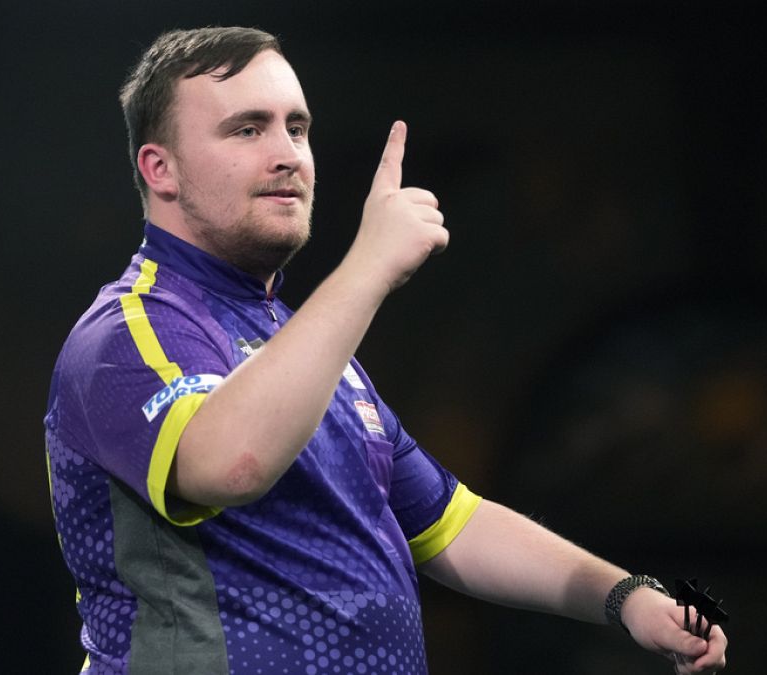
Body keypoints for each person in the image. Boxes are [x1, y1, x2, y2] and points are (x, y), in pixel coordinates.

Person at [44, 26, 728, 675]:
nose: (287, 153)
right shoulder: (126, 333)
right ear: (159, 169)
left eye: (298, 127)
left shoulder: (306, 346)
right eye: (247, 129)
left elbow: (451, 523)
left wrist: (628, 597)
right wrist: (369, 267)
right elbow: (232, 462)